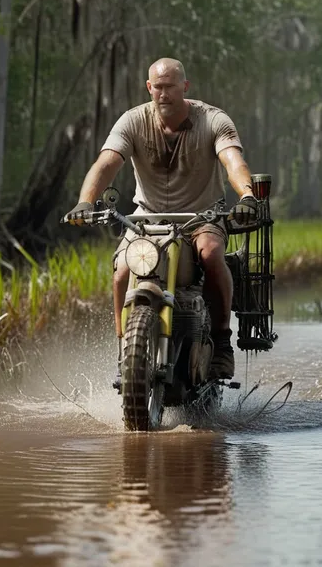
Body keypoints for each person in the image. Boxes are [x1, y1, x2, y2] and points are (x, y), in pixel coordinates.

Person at [65, 58, 258, 381]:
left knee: (211, 254)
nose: (164, 94)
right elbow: (107, 162)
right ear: (148, 87)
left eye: (171, 87)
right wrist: (85, 201)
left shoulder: (213, 119)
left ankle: (222, 342)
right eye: (158, 87)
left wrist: (247, 196)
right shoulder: (132, 121)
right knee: (122, 271)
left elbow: (233, 161)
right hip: (145, 220)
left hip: (201, 216)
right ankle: (124, 349)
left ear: (185, 87)